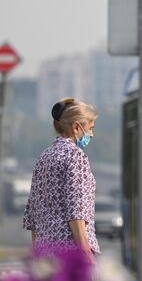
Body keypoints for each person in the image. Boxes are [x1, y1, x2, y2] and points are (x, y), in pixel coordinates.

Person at [23, 97, 100, 263]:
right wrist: (87, 256)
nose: (92, 135)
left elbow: (33, 215)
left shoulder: (44, 157)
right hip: (71, 254)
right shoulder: (75, 156)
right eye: (90, 128)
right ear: (76, 127)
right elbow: (76, 214)